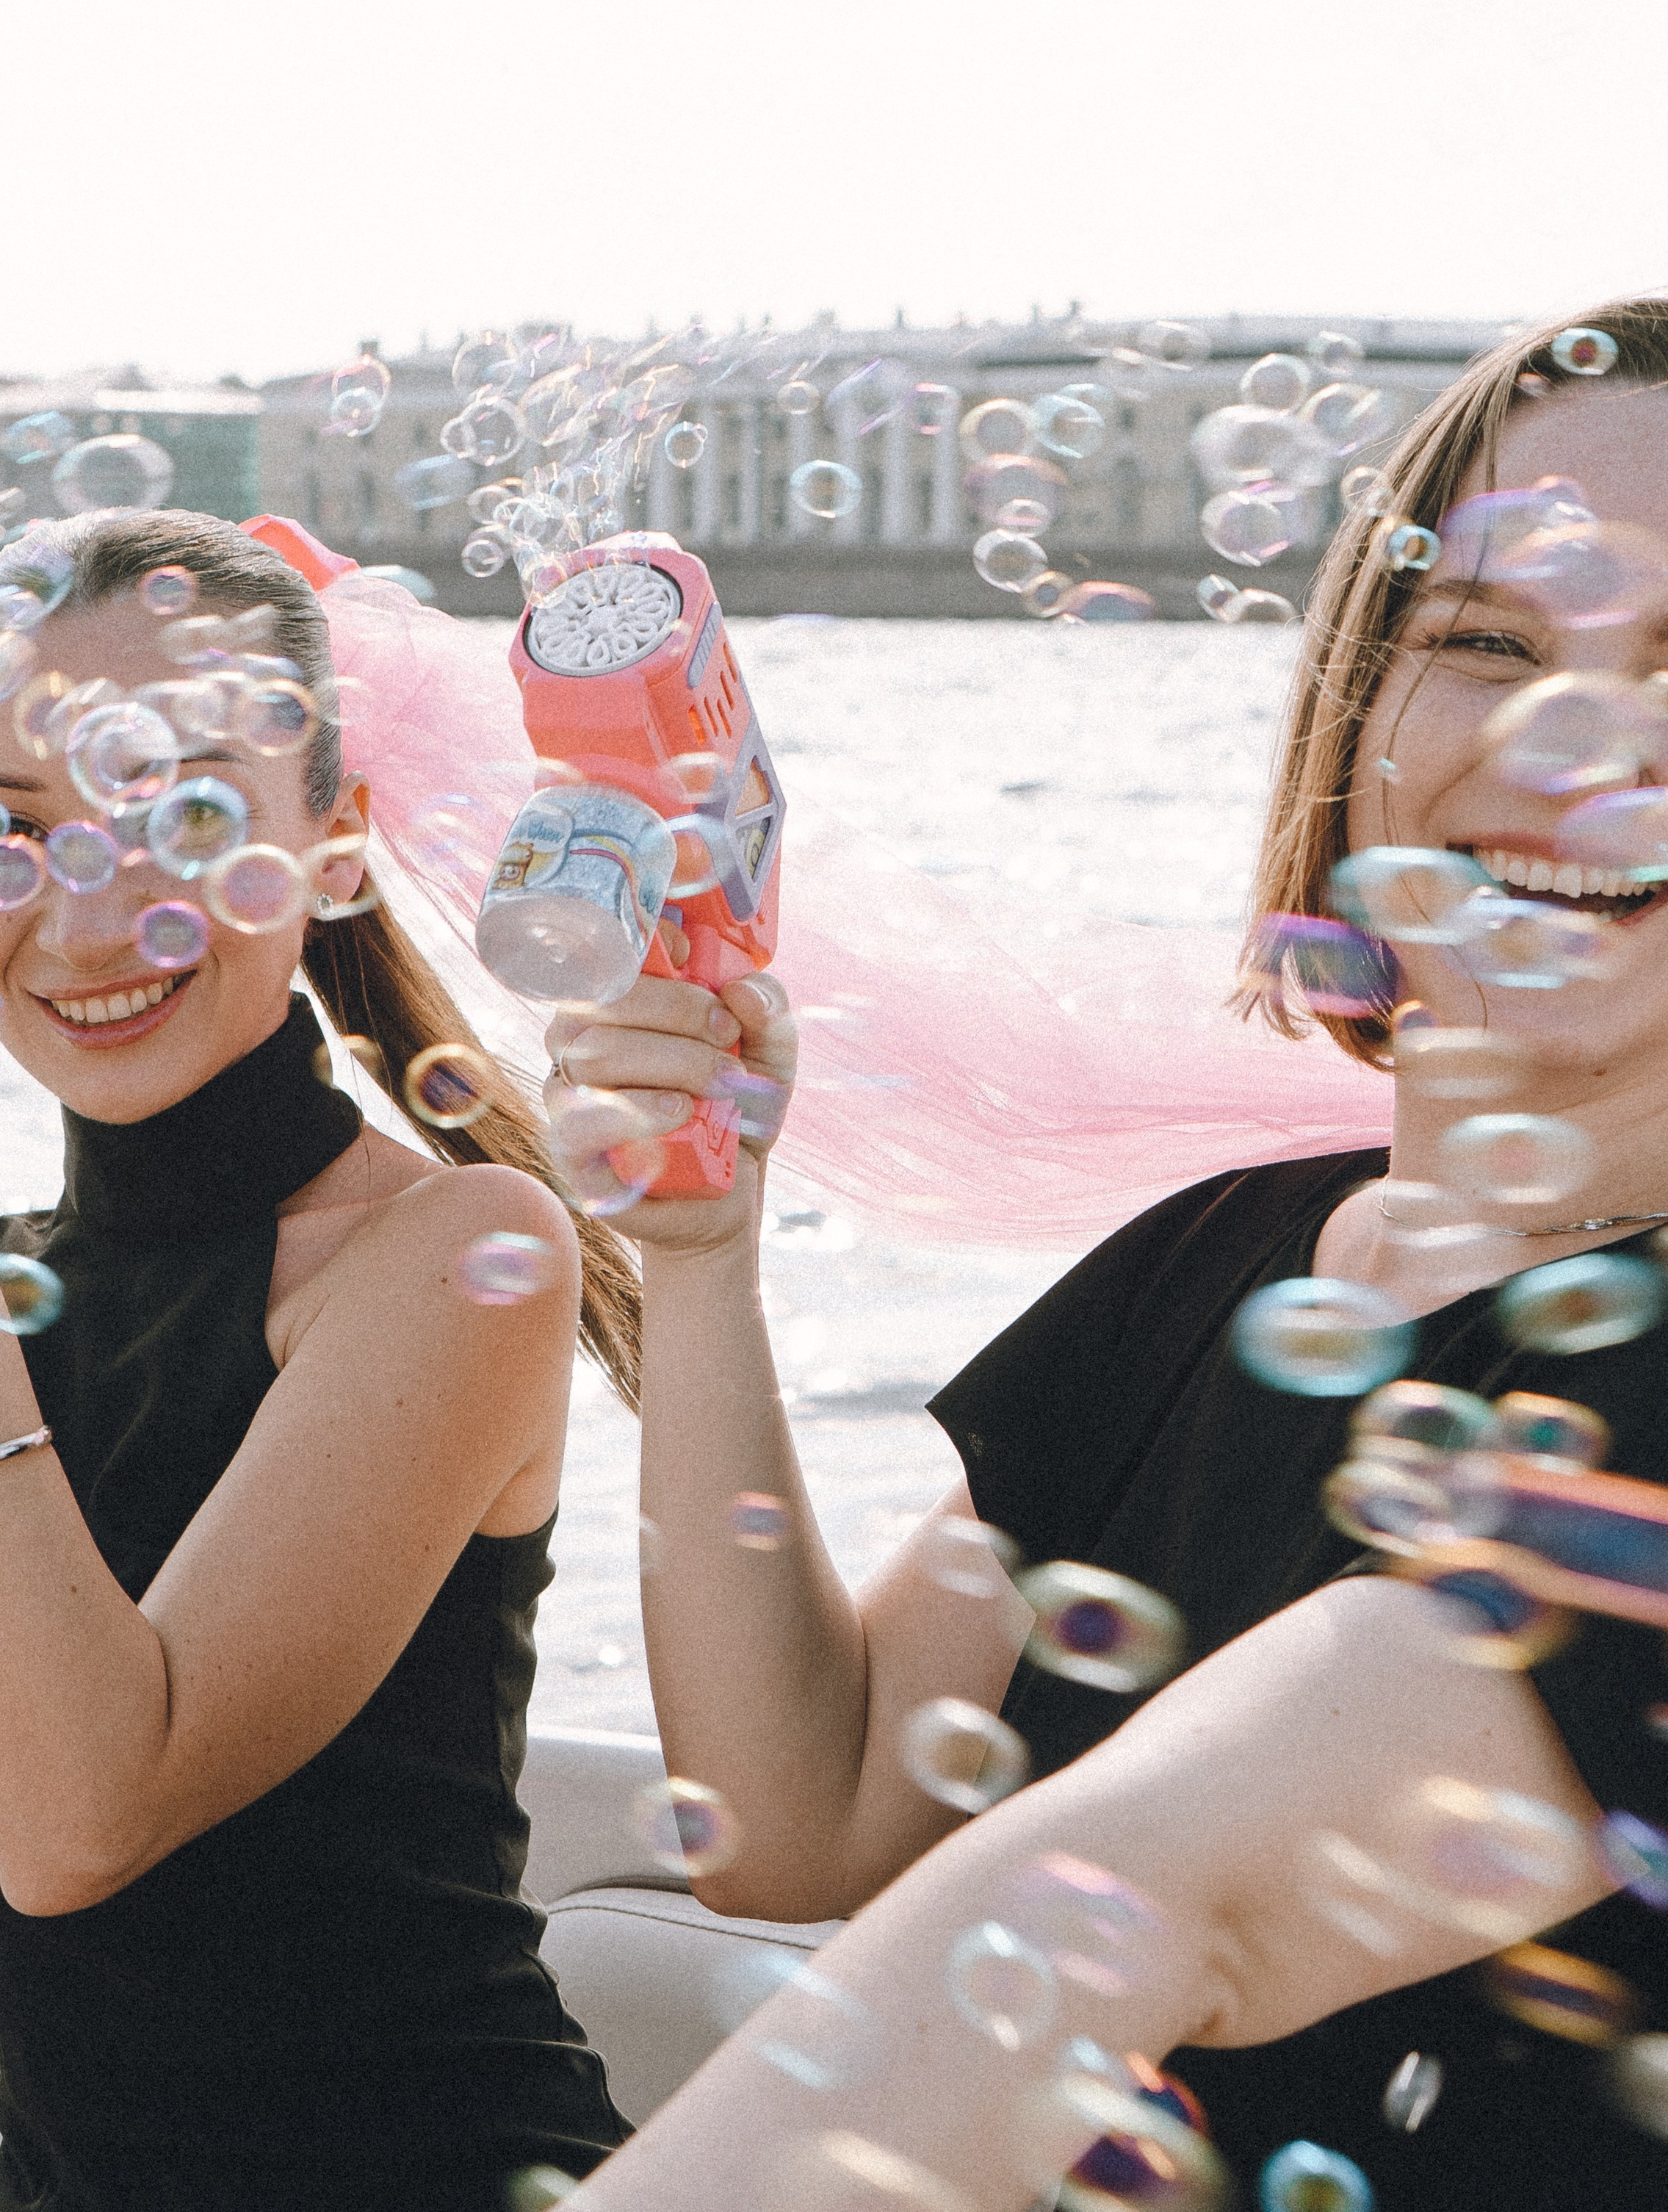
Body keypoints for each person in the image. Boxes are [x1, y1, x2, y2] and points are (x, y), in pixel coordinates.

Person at [547, 300, 1668, 2208]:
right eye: (1485, 642)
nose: (1577, 741)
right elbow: (801, 1822)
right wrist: (704, 1260)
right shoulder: (1212, 1266)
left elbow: (1149, 1903)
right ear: (1357, 704)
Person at [0, 508, 634, 2211]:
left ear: (331, 847)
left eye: (173, 813)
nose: (84, 921)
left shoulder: (454, 1256)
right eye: (3, 831)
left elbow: (82, 1820)